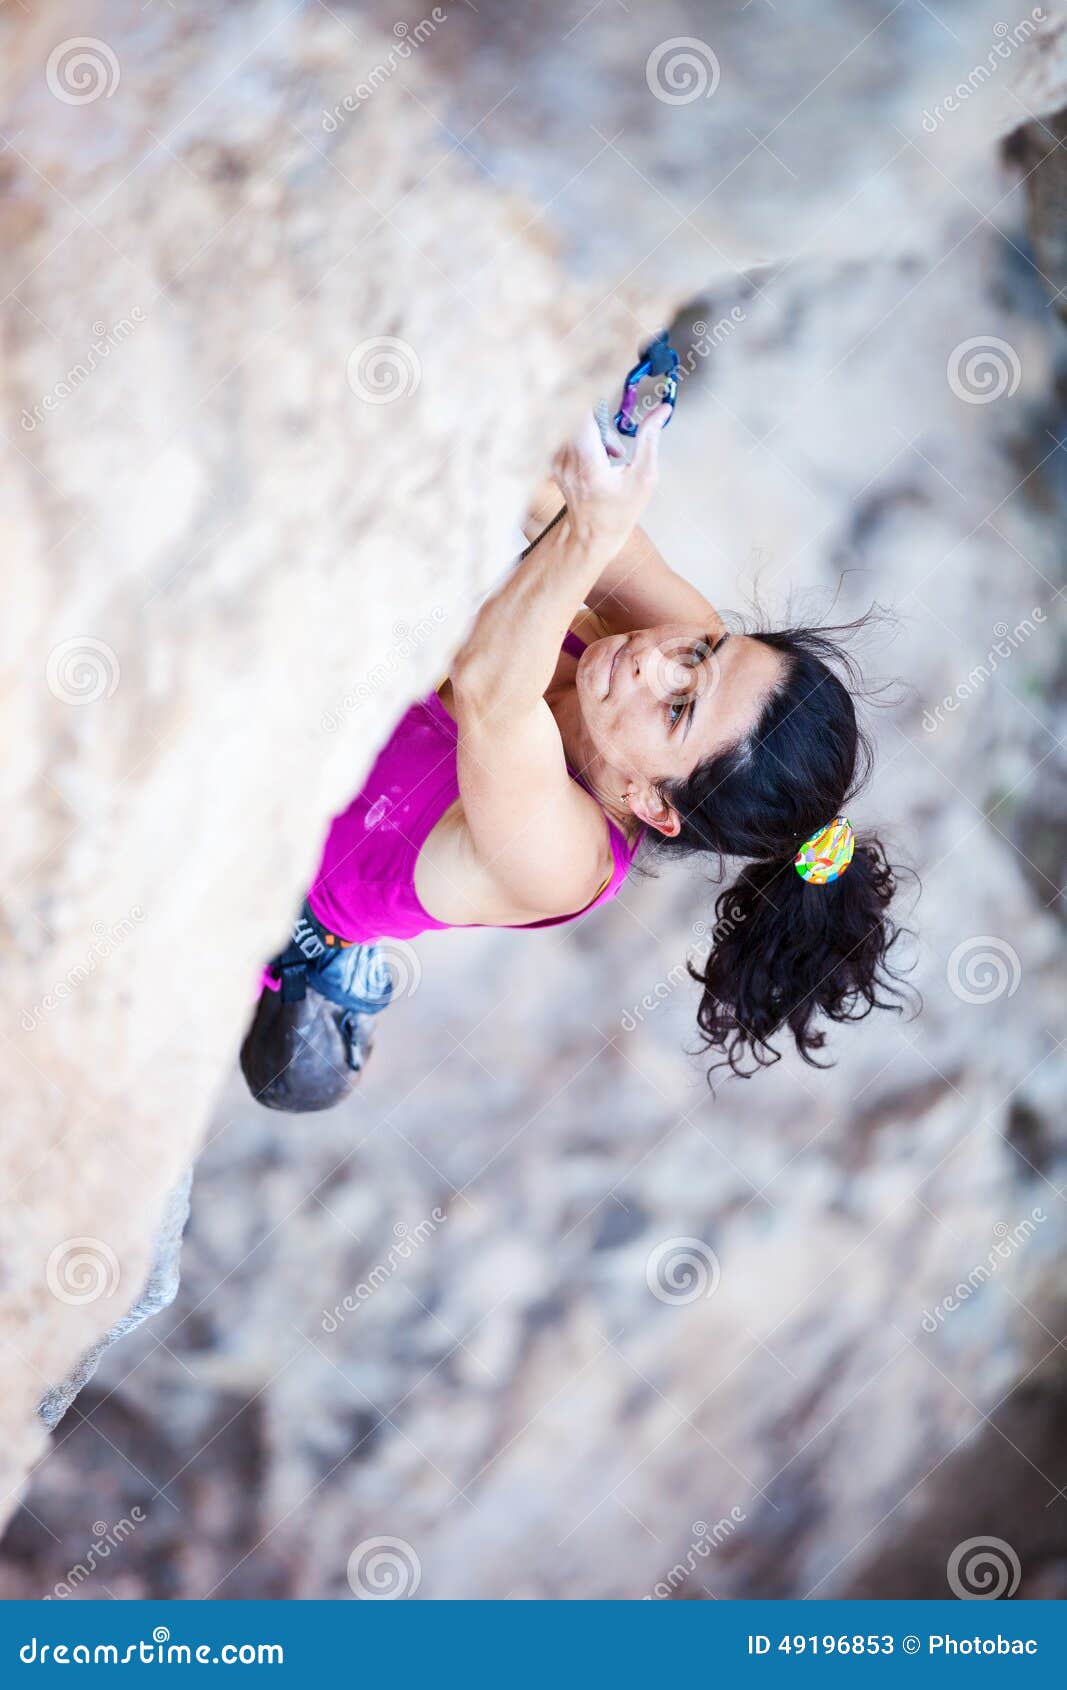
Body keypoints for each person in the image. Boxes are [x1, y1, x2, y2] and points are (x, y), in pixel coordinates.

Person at [241, 406, 905, 1110]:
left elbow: (492, 689)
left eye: (677, 708)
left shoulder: (570, 863)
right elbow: (553, 506)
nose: (656, 660)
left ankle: (320, 975)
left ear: (653, 802)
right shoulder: (681, 656)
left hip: (266, 883)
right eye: (705, 650)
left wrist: (591, 526)